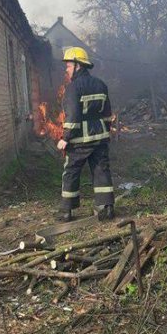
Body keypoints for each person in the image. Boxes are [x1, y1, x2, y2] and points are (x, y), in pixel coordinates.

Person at [56, 47, 115, 222]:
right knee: (101, 170)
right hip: (100, 139)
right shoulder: (101, 84)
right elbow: (107, 113)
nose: (66, 69)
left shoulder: (73, 88)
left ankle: (66, 212)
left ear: (78, 66)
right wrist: (104, 130)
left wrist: (64, 139)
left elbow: (73, 117)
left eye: (68, 65)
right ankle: (107, 209)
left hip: (79, 141)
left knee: (71, 172)